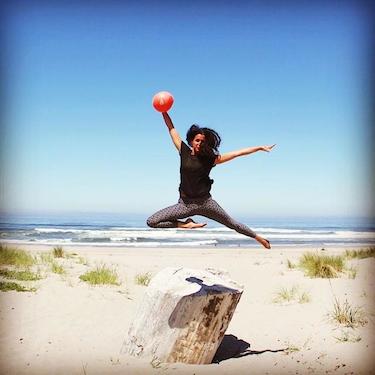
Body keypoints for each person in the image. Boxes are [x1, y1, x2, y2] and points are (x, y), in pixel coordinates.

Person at [146, 112, 276, 249]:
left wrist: (259, 148)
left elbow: (237, 153)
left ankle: (259, 238)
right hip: (184, 204)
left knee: (232, 223)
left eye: (202, 142)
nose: (199, 143)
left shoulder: (210, 159)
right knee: (152, 221)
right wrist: (164, 111)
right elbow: (171, 128)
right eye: (197, 140)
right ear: (191, 141)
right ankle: (186, 224)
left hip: (206, 203)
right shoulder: (183, 151)